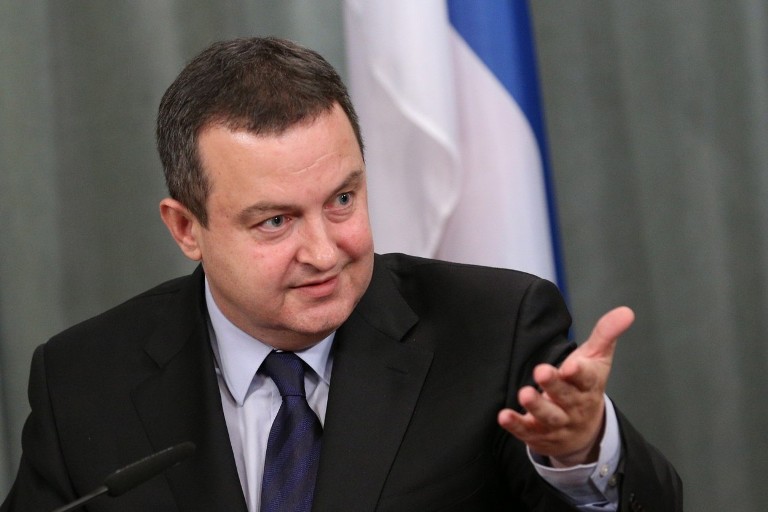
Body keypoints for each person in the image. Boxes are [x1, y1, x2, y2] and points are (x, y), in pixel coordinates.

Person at [1, 37, 681, 511]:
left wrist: (580, 454)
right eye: (275, 221)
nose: (325, 252)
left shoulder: (494, 330)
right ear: (186, 228)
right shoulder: (84, 381)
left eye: (342, 200)